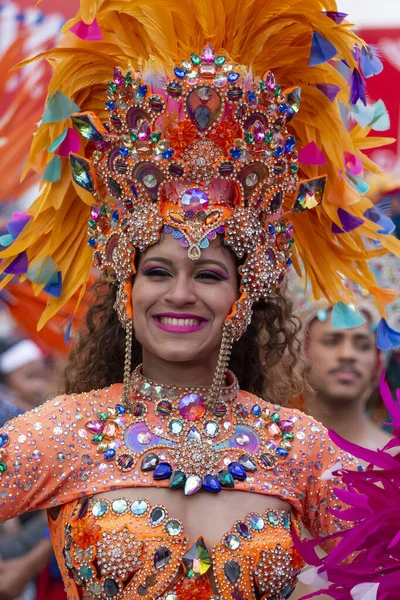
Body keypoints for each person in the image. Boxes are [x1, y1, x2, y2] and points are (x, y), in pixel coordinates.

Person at [0, 1, 400, 599]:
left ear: (246, 293)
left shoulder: (300, 449)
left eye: (210, 274)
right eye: (158, 270)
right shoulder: (60, 436)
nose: (180, 294)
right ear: (127, 288)